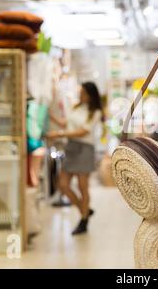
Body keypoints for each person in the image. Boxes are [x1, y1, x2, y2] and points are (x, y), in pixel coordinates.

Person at [46, 82, 103, 235]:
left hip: (84, 149)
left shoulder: (95, 112)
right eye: (81, 92)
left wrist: (59, 134)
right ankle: (84, 210)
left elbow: (83, 131)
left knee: (82, 186)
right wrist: (52, 118)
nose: (80, 95)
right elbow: (68, 124)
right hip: (71, 147)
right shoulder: (76, 107)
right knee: (63, 184)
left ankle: (84, 220)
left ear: (91, 95)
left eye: (83, 93)